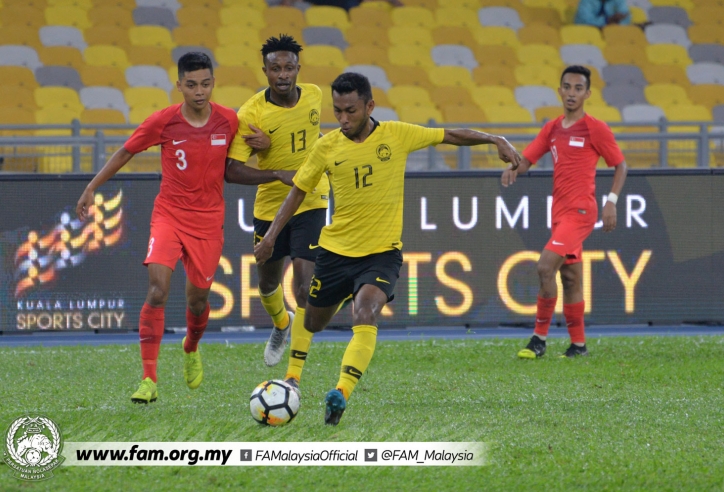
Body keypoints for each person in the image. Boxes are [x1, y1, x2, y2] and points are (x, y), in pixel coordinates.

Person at [255, 72, 521, 425]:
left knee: (365, 313)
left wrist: (494, 138)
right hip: (335, 254)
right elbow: (298, 191)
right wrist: (272, 236)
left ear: (369, 106)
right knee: (314, 318)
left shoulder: (396, 135)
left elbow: (449, 135)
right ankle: (294, 376)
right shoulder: (327, 146)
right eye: (337, 111)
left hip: (381, 254)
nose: (344, 119)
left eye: (350, 111)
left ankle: (341, 393)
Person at [76, 52, 294, 404]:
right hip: (169, 216)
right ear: (179, 85)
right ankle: (149, 379)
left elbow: (244, 159)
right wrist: (91, 187)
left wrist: (266, 148)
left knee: (197, 302)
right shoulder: (163, 122)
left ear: (213, 83)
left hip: (208, 223)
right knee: (158, 291)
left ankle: (191, 347)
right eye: (191, 85)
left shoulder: (228, 121)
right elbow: (125, 152)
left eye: (205, 84)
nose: (199, 91)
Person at [501, 65, 628, 359]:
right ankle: (579, 345)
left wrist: (611, 201)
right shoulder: (553, 128)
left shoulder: (595, 128)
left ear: (587, 93)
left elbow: (620, 165)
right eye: (567, 87)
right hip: (559, 213)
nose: (572, 93)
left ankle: (538, 339)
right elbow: (529, 157)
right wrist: (513, 170)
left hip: (581, 212)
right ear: (559, 91)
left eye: (578, 88)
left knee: (545, 267)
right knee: (570, 278)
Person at [226, 35, 331, 373]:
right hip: (270, 205)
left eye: (289, 68)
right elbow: (231, 171)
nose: (283, 75)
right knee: (268, 283)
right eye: (276, 69)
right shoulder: (252, 113)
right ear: (265, 71)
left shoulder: (315, 95)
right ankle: (281, 325)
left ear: (298, 69)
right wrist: (273, 168)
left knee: (304, 285)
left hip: (312, 198)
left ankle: (296, 366)